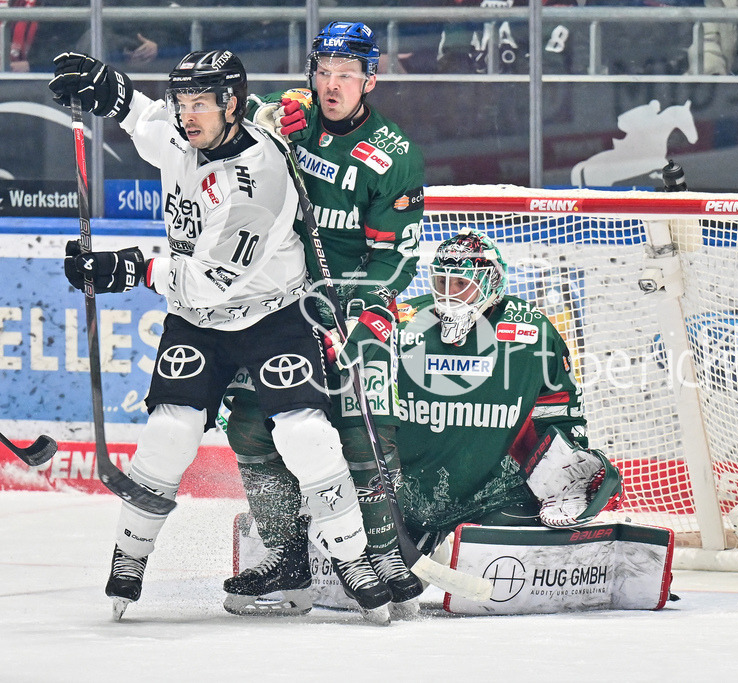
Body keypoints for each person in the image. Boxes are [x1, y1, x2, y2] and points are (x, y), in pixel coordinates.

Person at [48, 48, 369, 619]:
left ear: (233, 105)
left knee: (304, 433)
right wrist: (110, 90)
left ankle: (355, 558)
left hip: (271, 312)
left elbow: (207, 282)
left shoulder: (260, 178)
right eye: (183, 102)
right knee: (169, 432)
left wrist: (127, 268)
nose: (187, 115)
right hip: (198, 322)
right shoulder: (182, 133)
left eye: (201, 103)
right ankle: (129, 561)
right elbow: (146, 123)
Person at [231, 229, 623, 613]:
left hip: (495, 494)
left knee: (532, 559)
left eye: (462, 285)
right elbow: (346, 403)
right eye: (442, 282)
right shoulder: (402, 323)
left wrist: (566, 461)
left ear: (492, 285)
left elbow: (559, 406)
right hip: (405, 497)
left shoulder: (532, 331)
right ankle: (293, 543)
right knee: (378, 585)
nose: (449, 294)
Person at [221, 21, 425, 625]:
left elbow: (395, 255)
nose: (333, 86)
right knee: (252, 429)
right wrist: (262, 119)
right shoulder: (291, 119)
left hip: (356, 306)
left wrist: (363, 311)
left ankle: (384, 555)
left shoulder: (392, 153)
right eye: (324, 73)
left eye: (347, 75)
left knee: (365, 428)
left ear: (370, 78)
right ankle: (286, 558)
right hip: (276, 306)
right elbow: (232, 115)